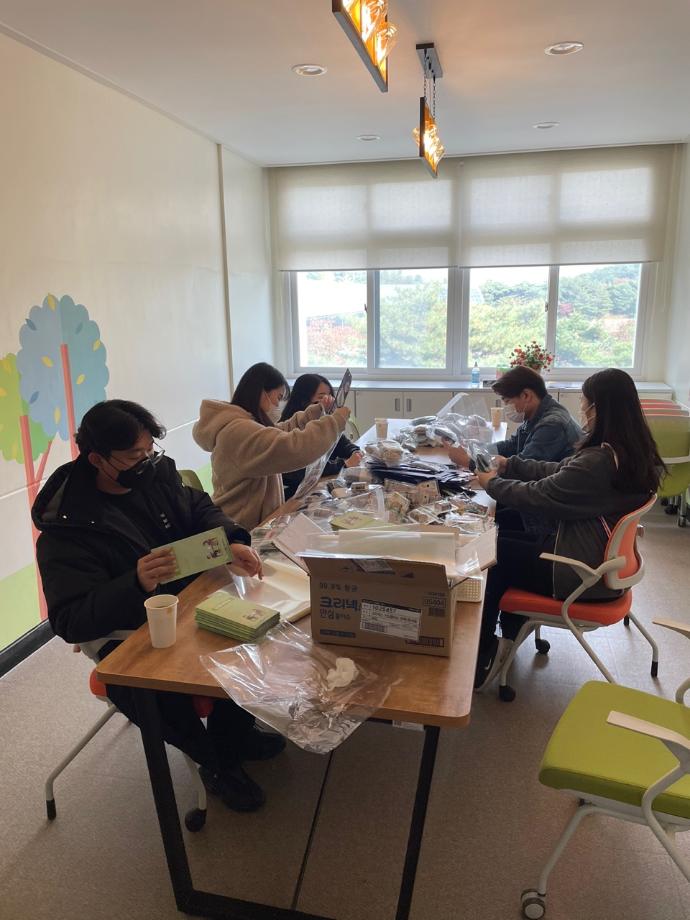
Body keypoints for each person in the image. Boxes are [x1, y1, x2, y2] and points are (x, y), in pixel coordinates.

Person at [33, 399, 280, 813]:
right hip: (128, 628)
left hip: (186, 601)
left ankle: (235, 735)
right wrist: (135, 583)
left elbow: (199, 508)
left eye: (150, 451)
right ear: (97, 459)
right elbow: (70, 620)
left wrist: (230, 539)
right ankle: (215, 762)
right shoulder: (67, 527)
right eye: (134, 456)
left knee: (253, 634)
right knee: (163, 686)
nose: (146, 461)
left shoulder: (155, 477)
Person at [472, 368, 664, 689]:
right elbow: (561, 470)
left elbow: (540, 496)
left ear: (600, 408)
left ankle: (483, 655)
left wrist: (491, 483)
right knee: (497, 539)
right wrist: (510, 464)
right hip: (596, 558)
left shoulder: (599, 462)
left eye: (585, 403)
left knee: (490, 556)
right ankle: (510, 634)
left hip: (579, 573)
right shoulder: (627, 452)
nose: (582, 410)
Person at [193, 362, 350, 529]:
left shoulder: (245, 424)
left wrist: (316, 412)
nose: (277, 405)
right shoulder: (239, 431)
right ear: (262, 393)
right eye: (278, 397)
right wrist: (335, 422)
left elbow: (281, 431)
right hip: (241, 527)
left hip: (257, 520)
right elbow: (293, 448)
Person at [447, 365, 582, 469]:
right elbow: (511, 445)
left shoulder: (552, 425)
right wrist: (477, 450)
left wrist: (470, 462)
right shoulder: (536, 414)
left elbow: (523, 469)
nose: (506, 407)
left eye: (507, 401)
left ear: (526, 395)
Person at [280, 374, 363, 499]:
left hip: (322, 487)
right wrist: (343, 464)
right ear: (303, 400)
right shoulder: (290, 429)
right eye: (322, 397)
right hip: (297, 495)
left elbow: (343, 444)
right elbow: (302, 471)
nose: (328, 401)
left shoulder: (324, 422)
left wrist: (355, 452)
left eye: (330, 396)